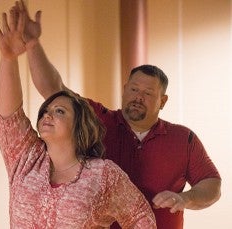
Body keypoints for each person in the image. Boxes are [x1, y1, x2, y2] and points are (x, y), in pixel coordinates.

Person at [13, 1, 222, 228]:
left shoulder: (183, 139)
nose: (138, 96)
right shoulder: (99, 120)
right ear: (124, 90)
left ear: (163, 101)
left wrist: (185, 199)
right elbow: (53, 88)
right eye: (133, 89)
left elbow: (212, 184)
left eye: (148, 93)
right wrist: (32, 45)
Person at [0, 4, 157, 229]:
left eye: (59, 111)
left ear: (79, 125)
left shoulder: (103, 174)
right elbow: (9, 113)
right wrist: (8, 58)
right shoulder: (26, 158)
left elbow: (140, 218)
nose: (48, 115)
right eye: (46, 111)